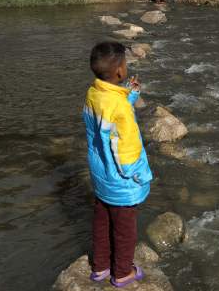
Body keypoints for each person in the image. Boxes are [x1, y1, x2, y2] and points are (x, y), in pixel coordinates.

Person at [83, 41, 152, 287]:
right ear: (120, 72)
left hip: (101, 177)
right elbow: (128, 152)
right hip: (121, 184)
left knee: (101, 222)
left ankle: (100, 267)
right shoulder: (120, 108)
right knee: (125, 230)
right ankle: (122, 272)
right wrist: (141, 176)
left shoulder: (94, 93)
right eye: (125, 65)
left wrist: (129, 95)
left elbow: (108, 118)